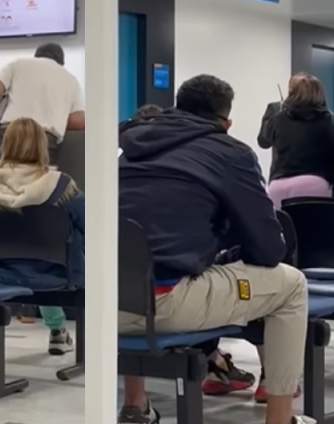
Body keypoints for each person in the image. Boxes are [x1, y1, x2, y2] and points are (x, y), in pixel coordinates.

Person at [117, 74, 311, 424]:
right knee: (292, 285)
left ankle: (136, 405)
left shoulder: (128, 149)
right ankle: (281, 419)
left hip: (105, 305)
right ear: (226, 123)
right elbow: (268, 249)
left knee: (137, 267)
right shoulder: (230, 152)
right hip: (167, 304)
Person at [0, 118, 84, 354]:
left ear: (5, 144)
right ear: (42, 146)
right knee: (62, 244)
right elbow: (91, 226)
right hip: (58, 277)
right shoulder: (61, 186)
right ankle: (61, 333)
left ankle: (57, 330)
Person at [261, 73, 334, 208]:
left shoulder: (277, 119)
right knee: (312, 223)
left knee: (281, 222)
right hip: (313, 184)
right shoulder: (332, 121)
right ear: (320, 95)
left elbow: (263, 140)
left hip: (277, 186)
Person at [0, 43, 85, 166]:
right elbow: (78, 121)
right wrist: (58, 120)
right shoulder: (71, 80)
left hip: (11, 132)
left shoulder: (18, 64)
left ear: (37, 56)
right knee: (39, 177)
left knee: (1, 176)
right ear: (61, 62)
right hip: (45, 139)